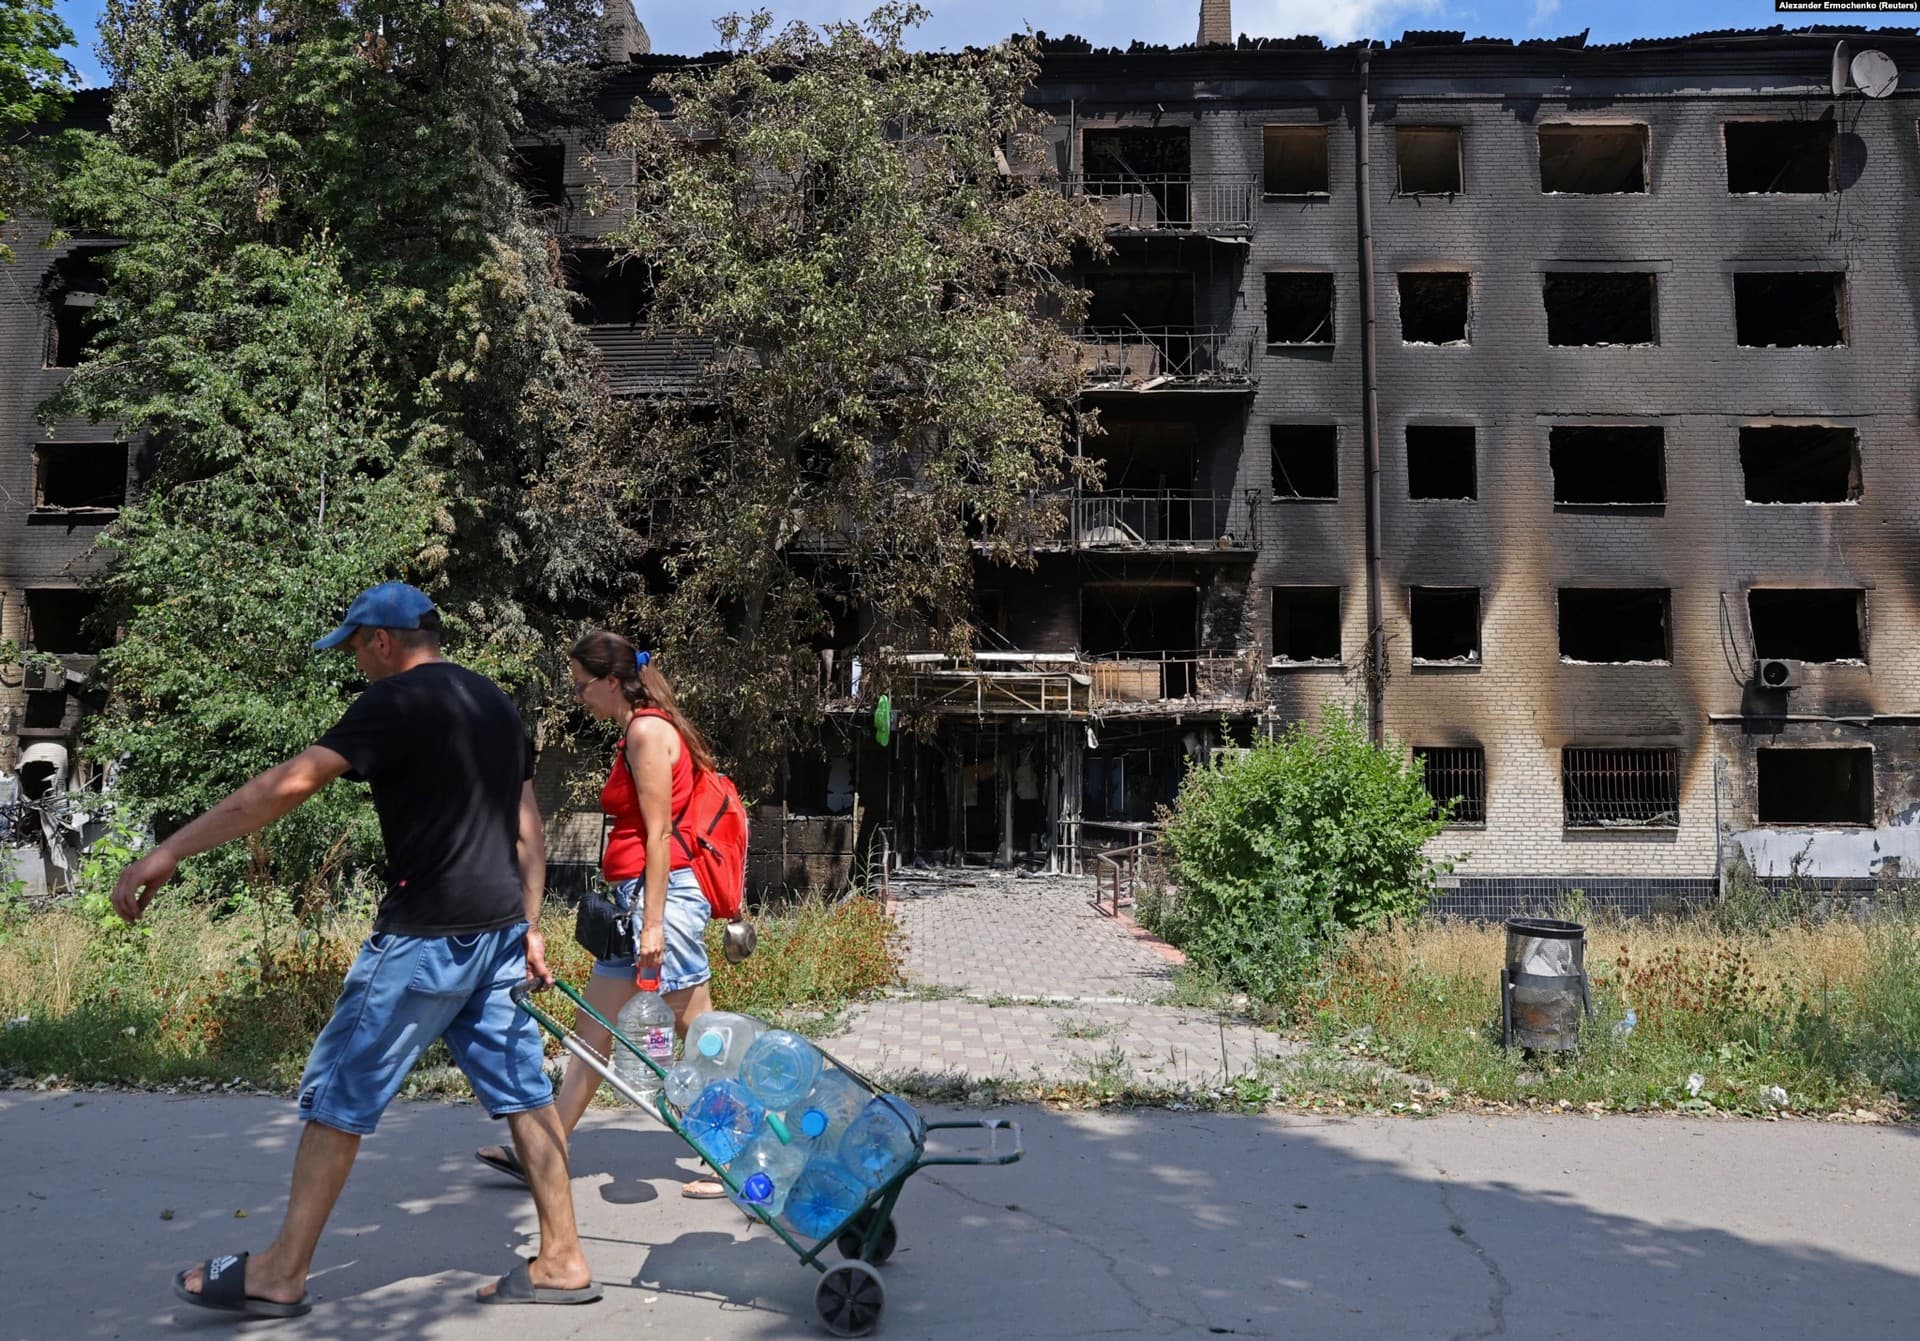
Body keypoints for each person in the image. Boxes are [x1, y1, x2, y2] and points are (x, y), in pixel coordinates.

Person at [112, 582, 600, 1316]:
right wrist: (529, 924)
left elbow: (284, 787)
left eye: (353, 647)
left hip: (425, 938)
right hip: (497, 928)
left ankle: (281, 1270)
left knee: (340, 1091)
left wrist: (171, 849)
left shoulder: (395, 700)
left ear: (382, 639)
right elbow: (527, 824)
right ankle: (562, 1256)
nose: (354, 663)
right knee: (526, 1091)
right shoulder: (493, 702)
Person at [474, 629, 724, 1199]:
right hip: (633, 904)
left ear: (612, 681)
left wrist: (654, 923)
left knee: (703, 1035)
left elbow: (660, 834)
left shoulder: (645, 732)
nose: (579, 696)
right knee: (593, 1034)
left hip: (662, 903)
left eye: (583, 685)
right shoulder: (641, 728)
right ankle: (548, 1148)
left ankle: (737, 1152)